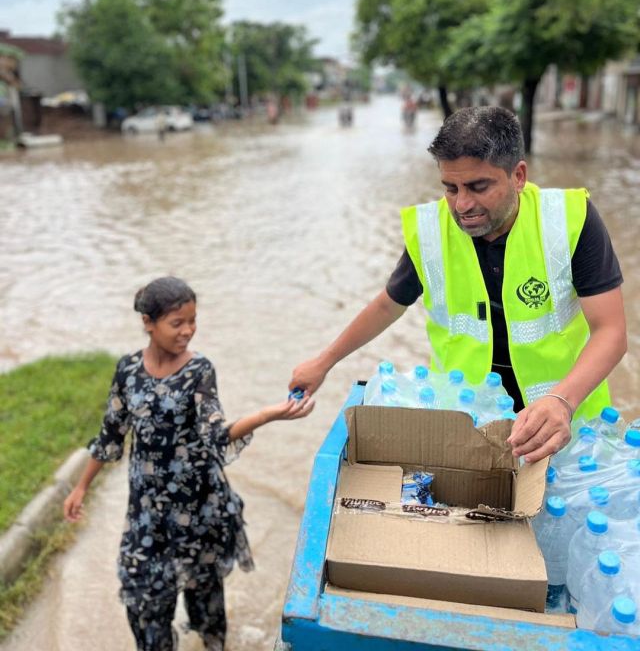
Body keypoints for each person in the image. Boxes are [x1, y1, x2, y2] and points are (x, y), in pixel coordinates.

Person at [289, 106, 626, 464]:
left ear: (518, 176)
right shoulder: (433, 232)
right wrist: (323, 362)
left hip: (564, 426)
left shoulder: (569, 220)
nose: (462, 204)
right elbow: (389, 304)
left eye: (479, 187)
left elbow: (611, 331)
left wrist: (562, 401)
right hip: (469, 424)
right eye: (450, 188)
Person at [64, 276, 314, 651]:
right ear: (149, 323)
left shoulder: (199, 371)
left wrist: (267, 414)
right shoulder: (128, 371)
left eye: (193, 321)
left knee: (205, 606)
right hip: (147, 513)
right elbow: (111, 434)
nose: (188, 331)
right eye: (177, 323)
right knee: (144, 603)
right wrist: (81, 487)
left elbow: (215, 432)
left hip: (199, 507)